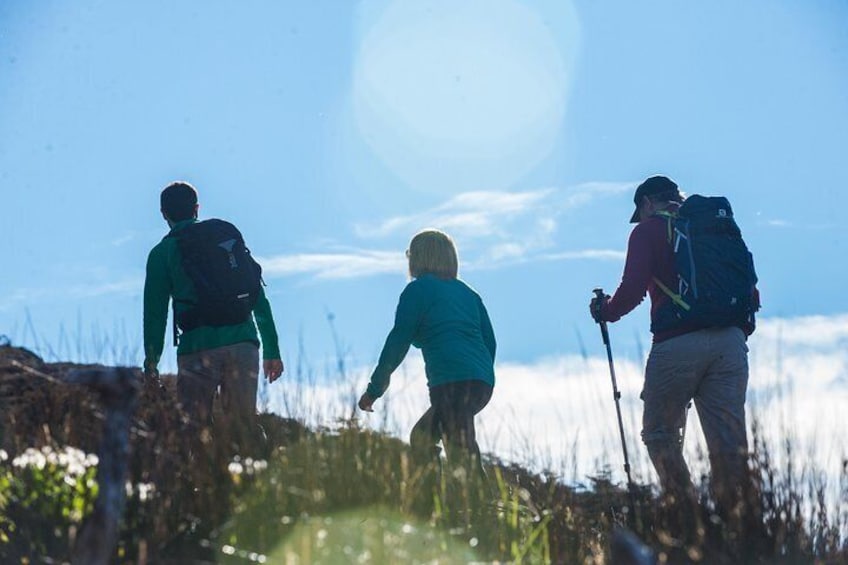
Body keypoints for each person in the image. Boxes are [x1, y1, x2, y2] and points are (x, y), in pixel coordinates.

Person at [590, 175, 757, 523]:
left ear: (648, 202)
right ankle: (740, 525)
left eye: (640, 210)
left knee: (660, 432)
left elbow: (633, 289)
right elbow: (751, 293)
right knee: (728, 442)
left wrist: (605, 311)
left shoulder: (648, 230)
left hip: (677, 343)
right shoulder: (715, 227)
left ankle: (686, 515)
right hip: (730, 342)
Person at [358, 229, 496, 518]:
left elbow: (398, 340)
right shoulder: (469, 294)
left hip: (451, 380)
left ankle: (467, 513)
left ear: (417, 258)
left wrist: (375, 388)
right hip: (480, 380)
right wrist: (479, 373)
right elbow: (489, 341)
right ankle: (449, 506)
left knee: (457, 444)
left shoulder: (418, 289)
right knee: (427, 437)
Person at [143, 181, 283, 451]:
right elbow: (256, 294)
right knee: (242, 426)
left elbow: (155, 315)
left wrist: (151, 364)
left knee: (194, 431)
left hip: (197, 349)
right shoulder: (224, 238)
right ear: (197, 208)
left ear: (163, 213)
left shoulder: (161, 254)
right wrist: (272, 349)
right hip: (243, 343)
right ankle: (253, 477)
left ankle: (202, 489)